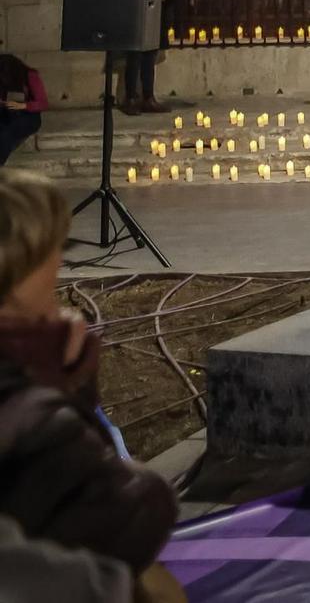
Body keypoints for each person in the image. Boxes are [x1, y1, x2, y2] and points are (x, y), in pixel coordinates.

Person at [0, 171, 179, 588]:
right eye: (56, 247)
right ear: (24, 265)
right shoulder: (31, 411)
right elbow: (137, 513)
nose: (61, 263)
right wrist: (66, 382)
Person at [0, 57, 48, 165]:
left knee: (6, 133)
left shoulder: (30, 76)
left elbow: (43, 104)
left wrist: (22, 105)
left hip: (27, 115)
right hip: (8, 112)